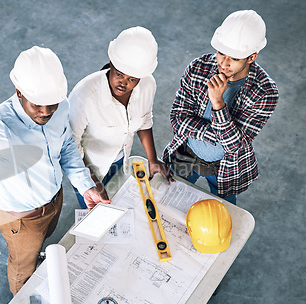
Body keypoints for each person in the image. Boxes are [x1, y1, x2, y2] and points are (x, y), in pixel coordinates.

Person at [0, 46, 109, 295]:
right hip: (23, 221)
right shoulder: (1, 132)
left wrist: (85, 186)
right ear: (19, 92)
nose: (47, 111)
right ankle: (21, 299)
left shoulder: (60, 105)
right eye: (38, 105)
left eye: (52, 104)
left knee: (46, 238)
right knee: (22, 267)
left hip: (54, 199)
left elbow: (67, 145)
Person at [163, 10, 279, 205]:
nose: (223, 63)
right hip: (186, 154)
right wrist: (216, 136)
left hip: (225, 168)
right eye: (221, 53)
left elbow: (235, 147)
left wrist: (218, 103)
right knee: (169, 201)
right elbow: (178, 118)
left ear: (251, 57)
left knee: (223, 214)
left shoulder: (265, 92)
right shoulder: (198, 67)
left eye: (233, 58)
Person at [69, 26, 173, 208]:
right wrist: (92, 182)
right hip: (86, 167)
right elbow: (70, 145)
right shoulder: (84, 95)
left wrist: (152, 159)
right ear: (111, 62)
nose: (123, 83)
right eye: (119, 74)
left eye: (132, 79)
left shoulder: (148, 85)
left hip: (119, 159)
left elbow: (145, 118)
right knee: (95, 212)